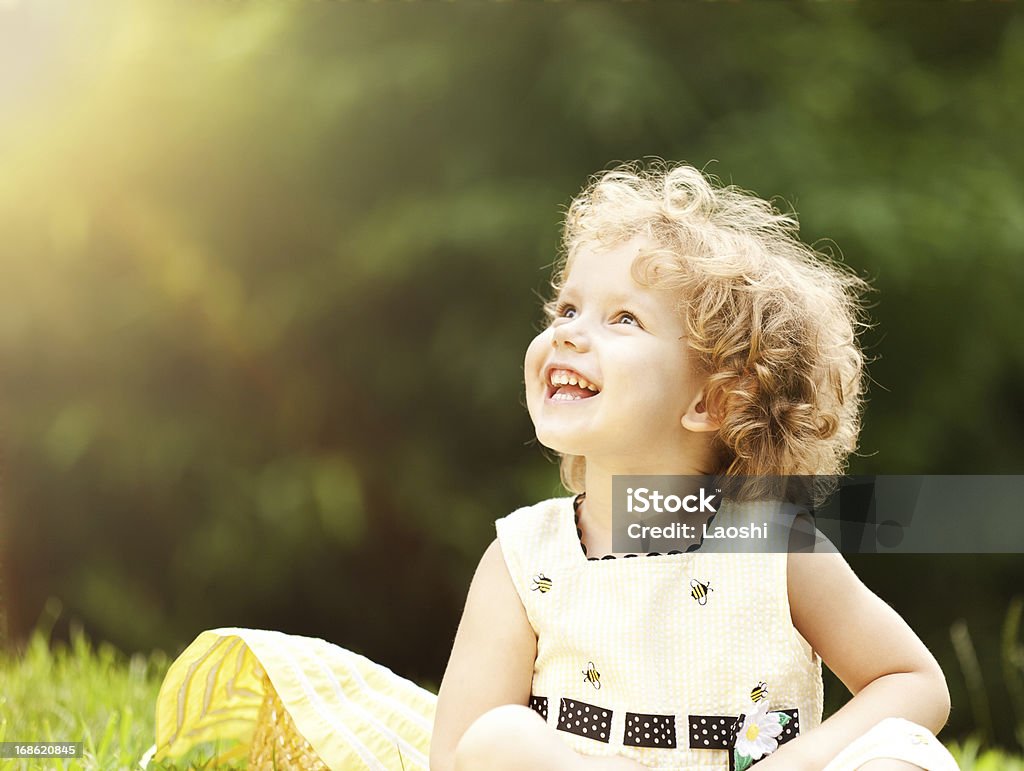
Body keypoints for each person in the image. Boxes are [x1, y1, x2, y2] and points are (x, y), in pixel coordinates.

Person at [145, 162, 960, 771]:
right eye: (567, 307)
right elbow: (460, 753)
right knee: (498, 737)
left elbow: (911, 680)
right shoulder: (525, 558)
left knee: (903, 753)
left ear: (711, 401)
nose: (571, 331)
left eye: (622, 318)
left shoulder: (771, 545)